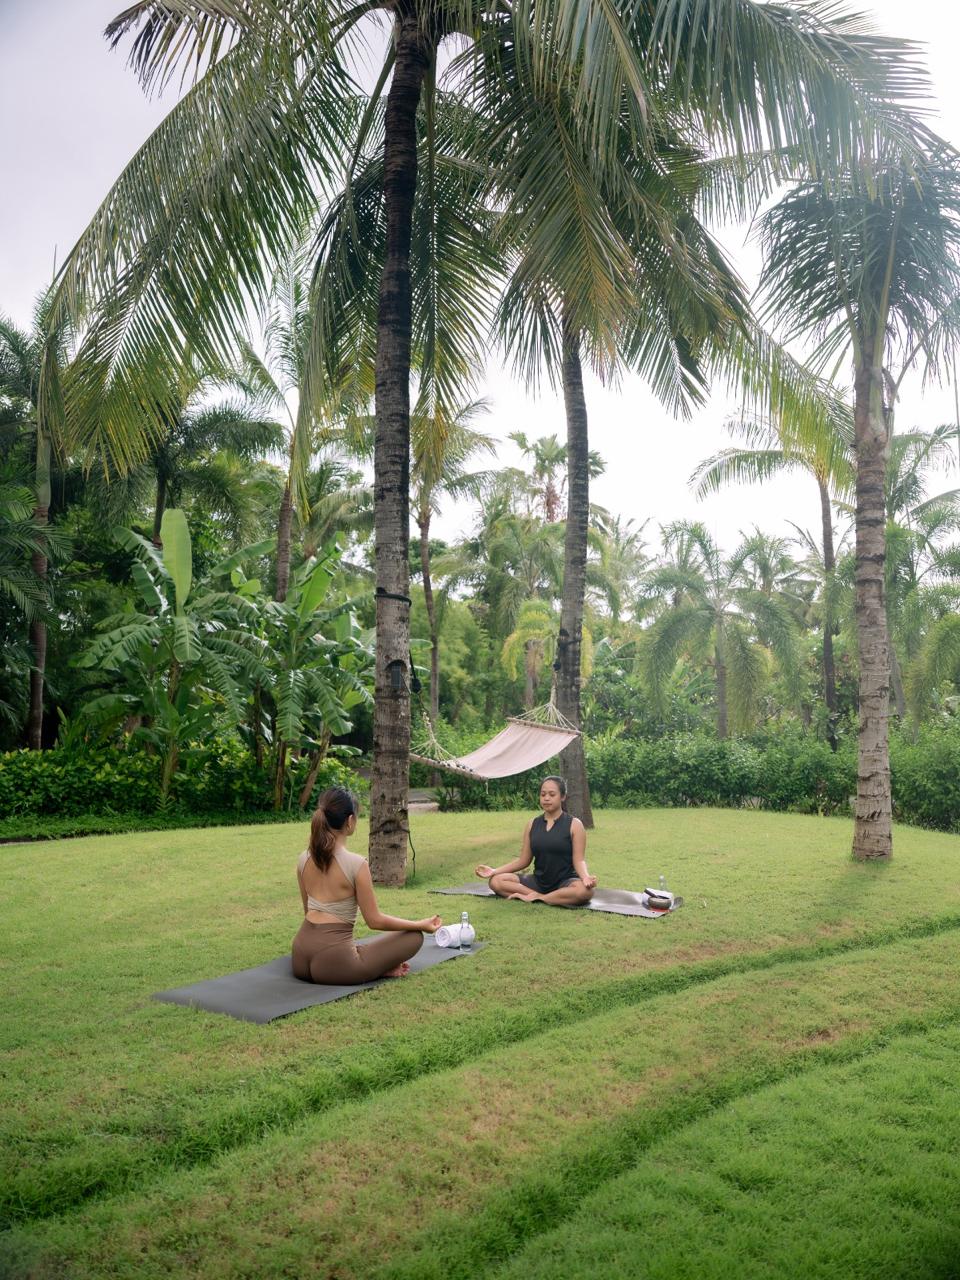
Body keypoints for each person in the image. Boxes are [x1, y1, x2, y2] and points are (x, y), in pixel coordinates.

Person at [292, 787, 441, 983]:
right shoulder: (356, 864)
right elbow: (374, 921)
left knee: (355, 948)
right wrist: (419, 924)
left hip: (300, 956)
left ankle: (366, 962)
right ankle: (376, 969)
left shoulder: (304, 859)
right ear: (350, 821)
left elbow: (308, 912)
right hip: (333, 964)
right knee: (414, 937)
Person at [474, 775, 597, 905]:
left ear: (562, 796)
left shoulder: (575, 824)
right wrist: (494, 871)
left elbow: (579, 860)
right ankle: (541, 896)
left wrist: (585, 877)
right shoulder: (532, 824)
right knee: (496, 881)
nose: (546, 798)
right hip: (538, 881)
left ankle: (539, 897)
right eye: (543, 794)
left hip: (565, 882)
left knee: (585, 892)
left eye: (552, 794)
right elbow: (523, 860)